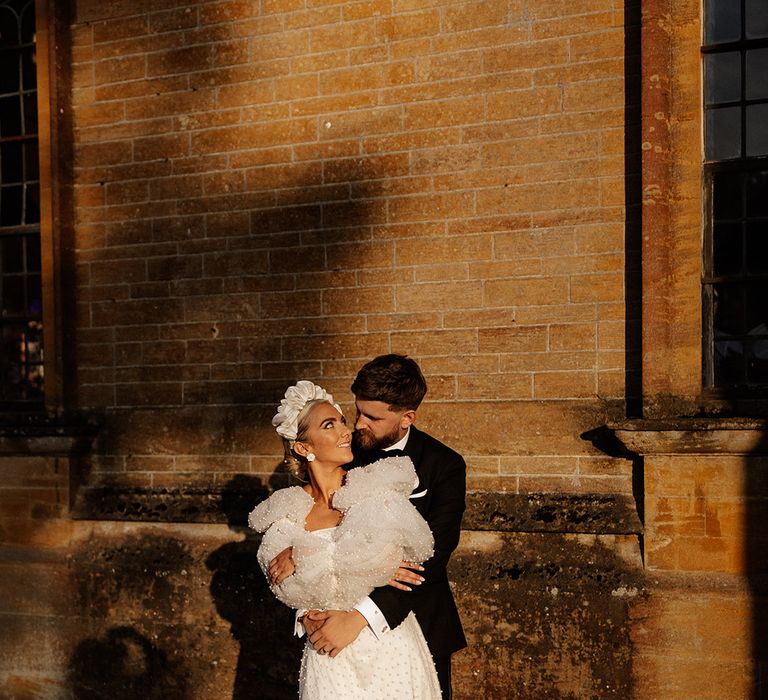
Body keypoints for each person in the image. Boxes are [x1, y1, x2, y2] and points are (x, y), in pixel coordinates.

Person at [269, 355, 467, 698]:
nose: (358, 424)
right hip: (334, 636)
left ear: (407, 418)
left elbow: (430, 559)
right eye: (356, 411)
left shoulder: (444, 465)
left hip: (413, 623)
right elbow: (322, 531)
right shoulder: (344, 454)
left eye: (372, 417)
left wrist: (359, 618)